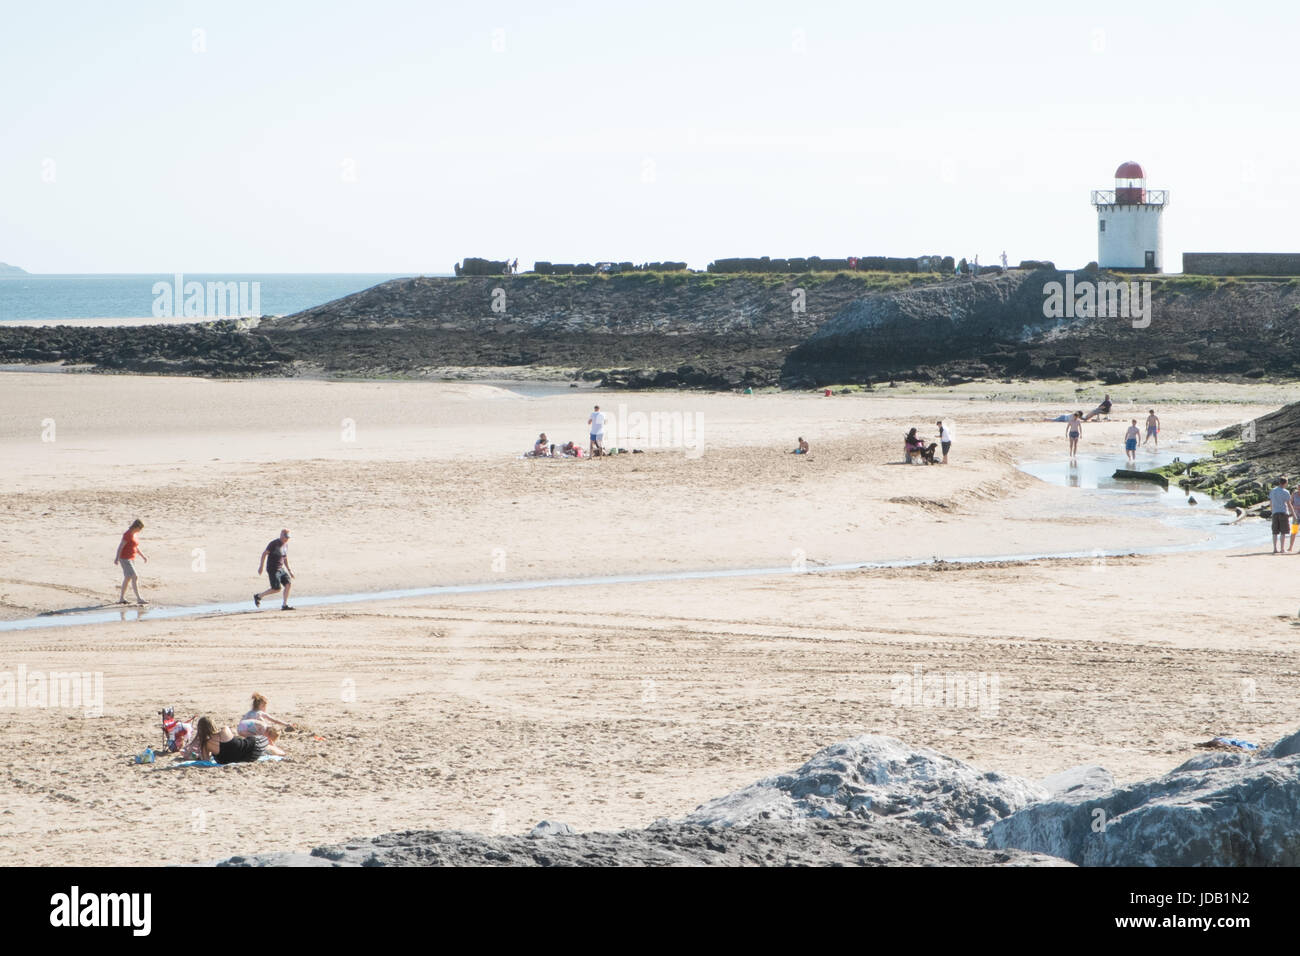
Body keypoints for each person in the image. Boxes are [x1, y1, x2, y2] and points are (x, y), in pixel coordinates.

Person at [194, 717, 285, 764]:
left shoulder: (205, 745)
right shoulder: (224, 730)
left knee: (259, 747)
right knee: (265, 744)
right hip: (251, 751)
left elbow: (206, 761)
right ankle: (282, 753)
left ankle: (280, 753)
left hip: (244, 758)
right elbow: (233, 742)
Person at [254, 528, 295, 610]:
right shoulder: (274, 543)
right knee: (276, 589)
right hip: (273, 569)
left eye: (288, 537)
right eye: (285, 536)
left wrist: (290, 571)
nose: (286, 539)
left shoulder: (286, 545)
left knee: (288, 584)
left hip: (281, 568)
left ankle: (284, 605)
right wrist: (261, 566)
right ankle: (258, 596)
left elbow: (285, 557)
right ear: (281, 535)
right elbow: (264, 554)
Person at [114, 519, 148, 605]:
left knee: (128, 578)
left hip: (132, 558)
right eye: (140, 529)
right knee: (135, 576)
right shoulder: (127, 534)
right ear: (136, 527)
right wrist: (117, 558)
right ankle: (139, 598)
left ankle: (121, 598)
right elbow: (121, 546)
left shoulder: (134, 534)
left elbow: (135, 547)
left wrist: (143, 556)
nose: (140, 531)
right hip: (125, 559)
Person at [1269, 478, 1295, 554]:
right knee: (1283, 532)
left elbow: (1271, 502)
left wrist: (1272, 511)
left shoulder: (1273, 490)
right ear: (1285, 483)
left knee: (1275, 532)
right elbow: (1289, 504)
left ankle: (1274, 548)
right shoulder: (1286, 492)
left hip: (1275, 513)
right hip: (1283, 512)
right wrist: (1294, 514)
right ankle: (1282, 549)